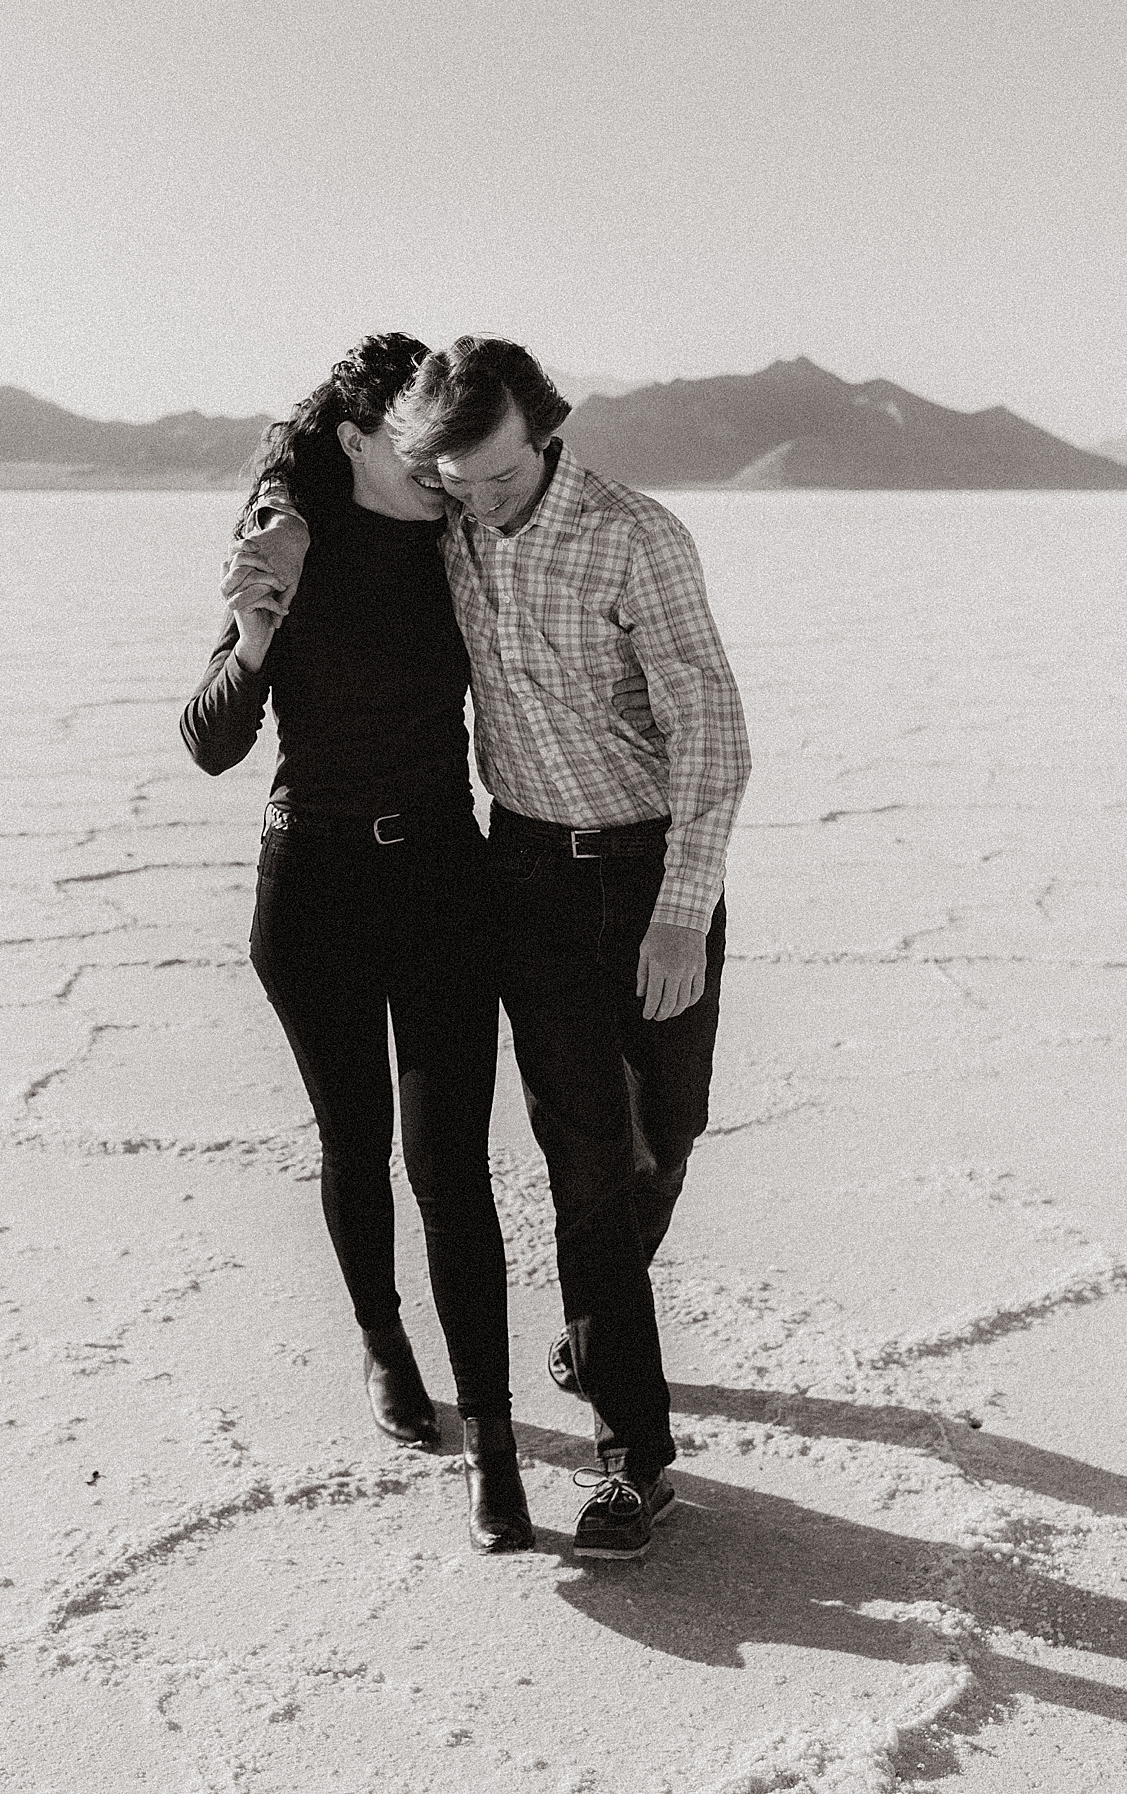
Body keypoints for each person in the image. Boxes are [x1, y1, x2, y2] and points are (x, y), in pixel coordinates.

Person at [234, 337, 750, 1561]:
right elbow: (314, 490)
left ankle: (594, 1325)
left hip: (652, 871)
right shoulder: (444, 524)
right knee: (580, 1155)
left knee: (661, 1136)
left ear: (548, 430)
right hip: (521, 871)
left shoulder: (637, 536)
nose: (481, 496)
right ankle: (631, 1457)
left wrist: (682, 908)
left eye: (503, 472)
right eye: (459, 479)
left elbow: (714, 737)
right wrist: (268, 534)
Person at [180, 332, 534, 1555]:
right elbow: (211, 741)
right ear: (351, 439)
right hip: (316, 886)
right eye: (413, 438)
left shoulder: (462, 541)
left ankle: (494, 1437)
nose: (440, 463)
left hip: (442, 873)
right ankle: (384, 1340)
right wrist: (256, 626)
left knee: (451, 1168)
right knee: (353, 1136)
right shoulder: (289, 541)